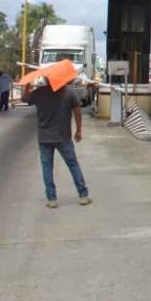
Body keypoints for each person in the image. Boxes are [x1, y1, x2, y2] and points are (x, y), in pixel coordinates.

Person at [24, 79, 92, 208]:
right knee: (73, 165)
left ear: (46, 79)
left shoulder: (39, 92)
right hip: (64, 136)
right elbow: (77, 111)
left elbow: (25, 99)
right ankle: (83, 195)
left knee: (47, 167)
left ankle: (52, 199)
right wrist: (78, 130)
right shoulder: (69, 92)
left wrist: (27, 86)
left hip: (44, 138)